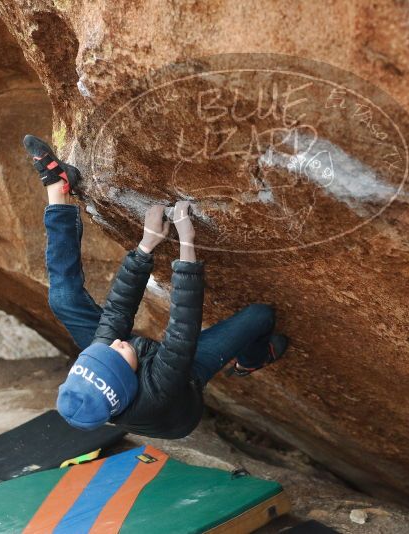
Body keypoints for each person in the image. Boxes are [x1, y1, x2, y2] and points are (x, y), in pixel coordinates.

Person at [23, 135, 289, 438]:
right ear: (128, 379)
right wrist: (186, 243)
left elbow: (118, 311)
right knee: (260, 316)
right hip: (182, 389)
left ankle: (58, 189)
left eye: (102, 350)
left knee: (63, 300)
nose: (114, 343)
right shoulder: (158, 389)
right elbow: (182, 330)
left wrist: (145, 248)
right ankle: (254, 359)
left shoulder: (107, 356)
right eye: (114, 352)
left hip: (122, 372)